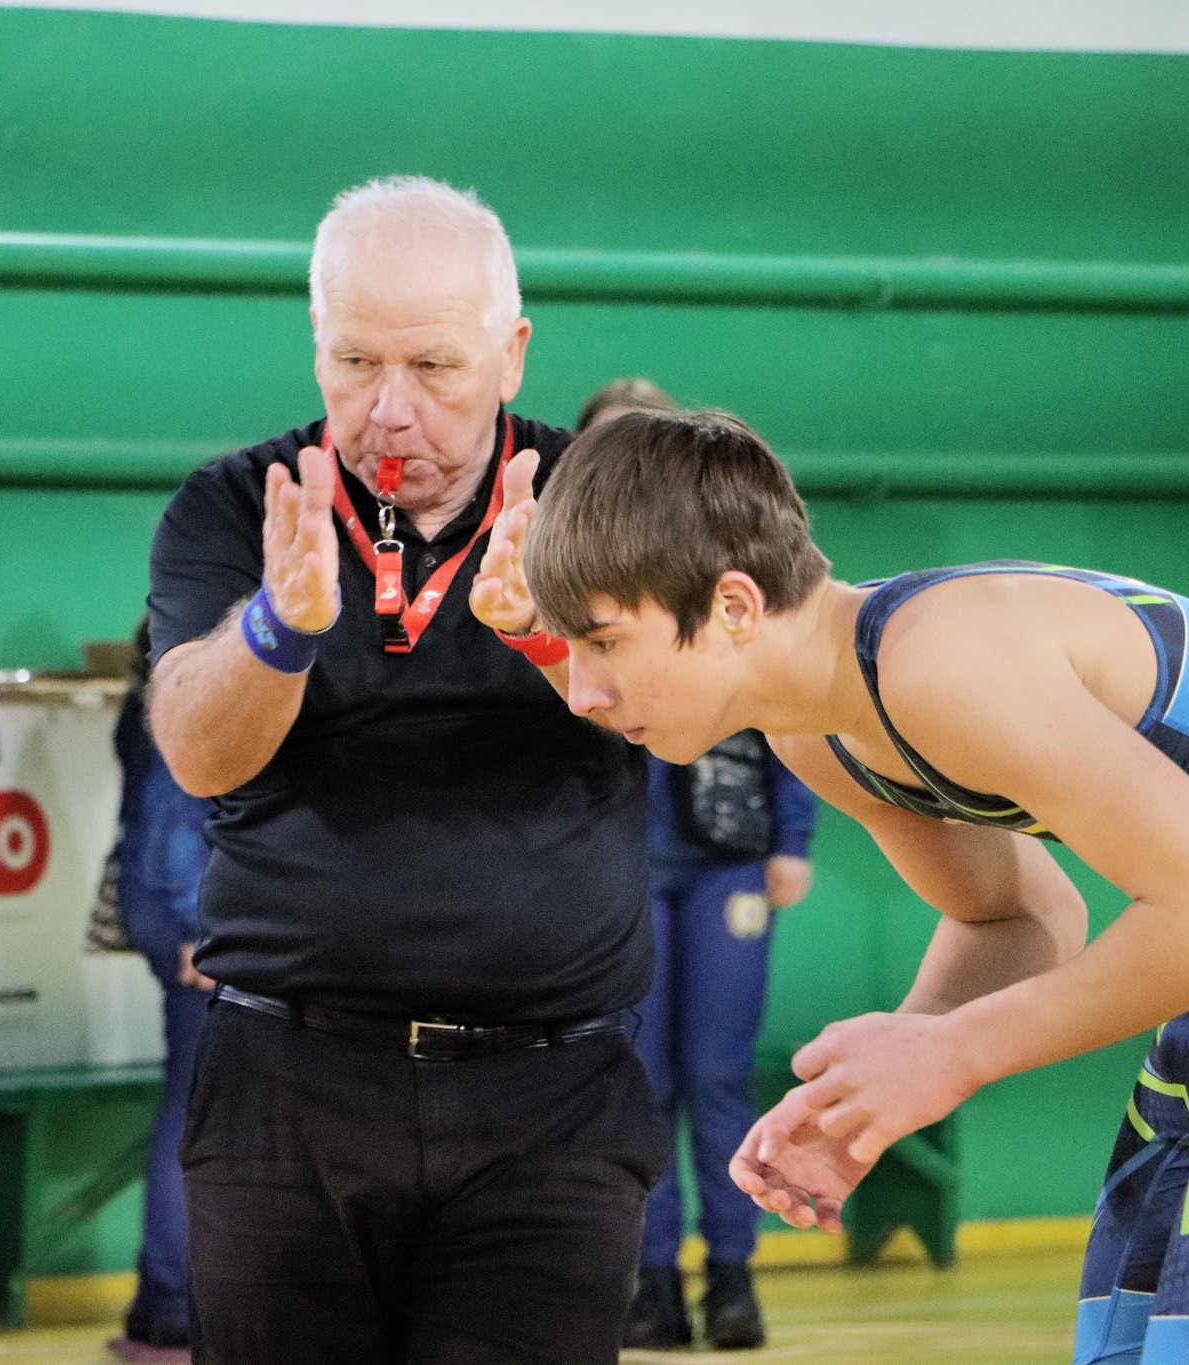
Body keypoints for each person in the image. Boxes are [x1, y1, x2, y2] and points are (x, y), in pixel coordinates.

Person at [507, 407, 1189, 1365]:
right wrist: (884, 1080)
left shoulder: (937, 662)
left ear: (735, 606)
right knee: (1124, 1345)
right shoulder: (819, 729)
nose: (582, 692)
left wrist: (953, 1054)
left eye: (604, 642)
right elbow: (1023, 916)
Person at [145, 175, 665, 1365]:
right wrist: (278, 626)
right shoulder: (238, 506)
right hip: (286, 1085)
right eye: (352, 363)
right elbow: (194, 749)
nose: (388, 412)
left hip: (553, 1099)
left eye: (431, 368)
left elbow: (682, 728)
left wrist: (548, 637)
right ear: (314, 344)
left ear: (511, 353)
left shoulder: (599, 497)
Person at [572, 380, 818, 1351]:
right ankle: (649, 1282)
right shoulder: (554, 582)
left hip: (724, 863)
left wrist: (787, 840)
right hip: (619, 866)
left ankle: (732, 1277)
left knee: (717, 1076)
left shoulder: (719, 566)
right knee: (640, 1081)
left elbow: (779, 698)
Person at [105, 618, 214, 1364]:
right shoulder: (200, 670)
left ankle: (161, 1303)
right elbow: (178, 806)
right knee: (197, 1108)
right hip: (195, 918)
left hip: (175, 906)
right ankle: (170, 1306)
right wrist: (200, 921)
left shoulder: (156, 671)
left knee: (195, 1103)